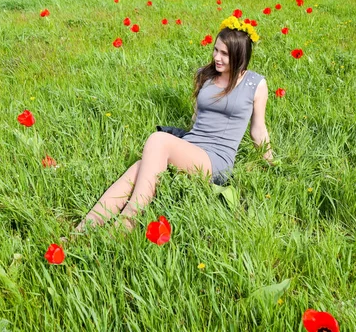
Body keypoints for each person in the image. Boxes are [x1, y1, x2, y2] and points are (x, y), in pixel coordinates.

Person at [75, 16, 273, 234]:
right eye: (216, 50)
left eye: (224, 53)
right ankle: (82, 230)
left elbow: (258, 130)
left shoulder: (255, 84)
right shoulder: (205, 75)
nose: (217, 57)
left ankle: (127, 222)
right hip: (191, 148)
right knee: (139, 168)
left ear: (239, 55)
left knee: (159, 140)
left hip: (216, 160)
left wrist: (270, 165)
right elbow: (197, 119)